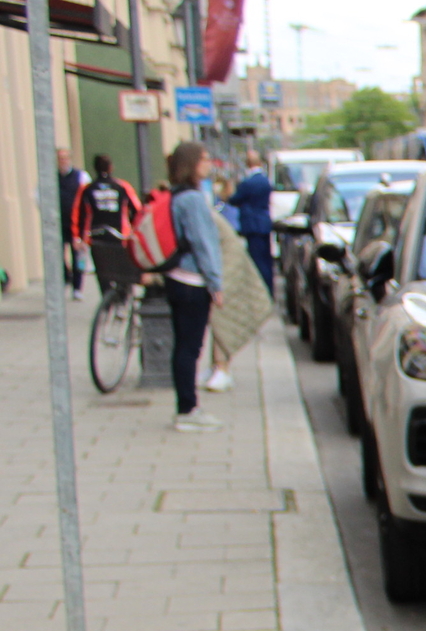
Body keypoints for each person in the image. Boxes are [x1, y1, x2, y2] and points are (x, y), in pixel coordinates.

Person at [155, 141, 226, 432]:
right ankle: (188, 410)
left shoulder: (174, 194)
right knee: (190, 347)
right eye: (205, 158)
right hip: (193, 281)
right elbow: (203, 242)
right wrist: (215, 283)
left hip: (175, 277)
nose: (209, 163)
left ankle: (187, 406)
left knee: (183, 345)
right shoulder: (193, 199)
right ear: (192, 163)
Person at [73, 155, 139, 280]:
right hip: (120, 236)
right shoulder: (122, 186)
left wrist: (79, 237)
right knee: (121, 271)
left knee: (102, 272)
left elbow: (80, 214)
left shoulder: (87, 188)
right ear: (111, 167)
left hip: (96, 236)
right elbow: (136, 210)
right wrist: (135, 231)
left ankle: (106, 294)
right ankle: (123, 295)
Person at [232, 149, 275, 294]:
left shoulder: (248, 183)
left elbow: (235, 199)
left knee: (257, 260)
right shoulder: (265, 181)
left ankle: (261, 290)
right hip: (264, 223)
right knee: (266, 259)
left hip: (252, 224)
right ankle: (269, 290)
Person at [56, 148, 88, 299]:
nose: (63, 161)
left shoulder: (80, 176)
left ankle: (77, 287)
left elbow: (87, 198)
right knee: (58, 255)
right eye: (60, 158)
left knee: (78, 256)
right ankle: (64, 279)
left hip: (77, 224)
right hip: (58, 223)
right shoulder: (50, 177)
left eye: (65, 158)